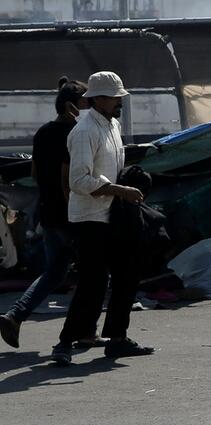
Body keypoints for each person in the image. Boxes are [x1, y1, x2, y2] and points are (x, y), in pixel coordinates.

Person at [50, 71, 154, 364]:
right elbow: (80, 180)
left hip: (113, 214)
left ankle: (117, 339)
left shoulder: (112, 125)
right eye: (114, 97)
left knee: (126, 276)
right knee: (92, 283)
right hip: (90, 218)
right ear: (98, 99)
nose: (119, 102)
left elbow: (110, 166)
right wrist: (121, 189)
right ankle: (64, 343)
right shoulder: (84, 131)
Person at [0, 77, 106, 350]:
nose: (92, 105)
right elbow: (66, 179)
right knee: (94, 272)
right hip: (71, 214)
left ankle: (14, 316)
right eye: (87, 101)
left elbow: (36, 173)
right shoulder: (77, 132)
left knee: (55, 273)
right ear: (73, 105)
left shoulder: (43, 132)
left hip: (48, 212)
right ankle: (85, 332)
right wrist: (76, 213)